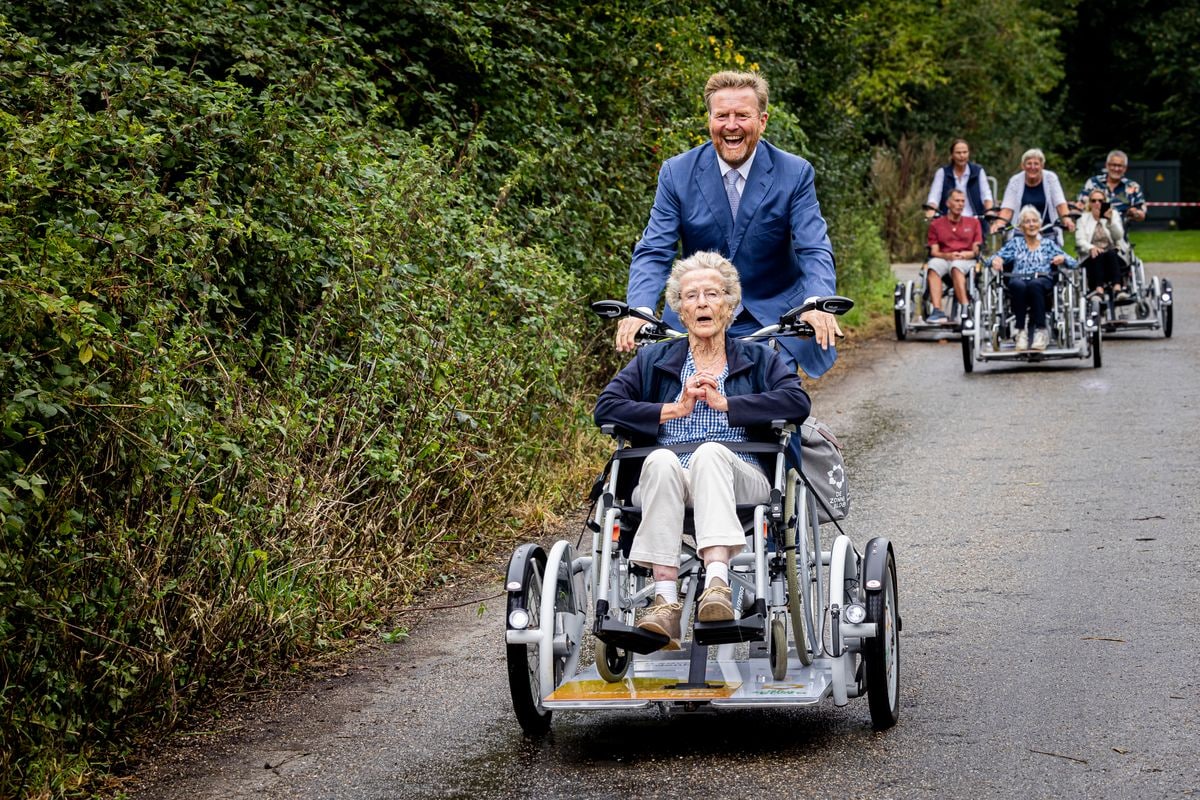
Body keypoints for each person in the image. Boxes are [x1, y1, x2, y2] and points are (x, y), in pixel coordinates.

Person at [595, 251, 810, 650]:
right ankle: (664, 603)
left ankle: (716, 589)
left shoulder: (760, 358)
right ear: (679, 309)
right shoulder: (653, 360)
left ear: (731, 305)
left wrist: (730, 404)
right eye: (691, 296)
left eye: (712, 294)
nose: (702, 303)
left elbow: (797, 404)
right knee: (659, 459)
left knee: (711, 453)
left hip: (740, 475)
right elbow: (605, 408)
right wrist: (673, 409)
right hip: (667, 480)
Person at [616, 70, 839, 377]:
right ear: (710, 120)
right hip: (698, 314)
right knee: (672, 409)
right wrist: (639, 310)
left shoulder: (795, 173)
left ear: (762, 121)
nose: (731, 125)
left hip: (771, 317)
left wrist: (816, 303)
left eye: (742, 115)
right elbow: (655, 249)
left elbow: (813, 247)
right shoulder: (676, 173)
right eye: (722, 115)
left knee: (777, 408)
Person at [991, 205, 1077, 352]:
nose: (1031, 224)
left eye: (1034, 221)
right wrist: (996, 260)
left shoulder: (1048, 244)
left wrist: (1062, 258)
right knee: (1018, 285)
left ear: (1040, 224)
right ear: (1021, 226)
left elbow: (1073, 262)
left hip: (1042, 280)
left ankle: (1041, 331)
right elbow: (993, 258)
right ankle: (1020, 332)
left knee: (1034, 284)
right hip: (1019, 279)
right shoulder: (1015, 244)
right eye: (1027, 221)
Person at [991, 149, 1075, 244]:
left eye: (1036, 164)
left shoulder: (1051, 178)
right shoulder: (1015, 181)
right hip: (1021, 233)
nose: (1032, 167)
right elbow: (1007, 208)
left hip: (1047, 232)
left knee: (1057, 257)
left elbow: (1060, 203)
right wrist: (999, 223)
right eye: (1029, 163)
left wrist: (1066, 219)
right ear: (1023, 166)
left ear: (1042, 166)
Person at [924, 189, 982, 322]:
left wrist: (969, 254)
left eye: (962, 201)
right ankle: (937, 310)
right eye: (957, 201)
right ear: (948, 203)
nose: (960, 204)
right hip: (944, 257)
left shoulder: (973, 223)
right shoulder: (936, 224)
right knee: (932, 266)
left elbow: (977, 249)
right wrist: (948, 255)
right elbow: (934, 251)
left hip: (965, 260)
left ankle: (965, 308)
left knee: (956, 266)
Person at [1075, 189, 1129, 300]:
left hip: (1113, 254)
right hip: (1092, 256)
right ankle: (1098, 290)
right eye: (1093, 201)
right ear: (1089, 203)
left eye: (1100, 200)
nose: (1097, 203)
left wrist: (1110, 222)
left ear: (1105, 202)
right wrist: (1091, 247)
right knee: (1098, 253)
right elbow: (1080, 240)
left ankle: (1118, 289)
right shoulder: (1083, 218)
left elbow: (1119, 236)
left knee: (1110, 253)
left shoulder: (1113, 215)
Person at [924, 138, 994, 219]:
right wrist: (931, 210)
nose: (962, 156)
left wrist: (989, 210)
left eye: (965, 152)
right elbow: (934, 197)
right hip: (948, 221)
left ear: (969, 153)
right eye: (958, 153)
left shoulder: (978, 171)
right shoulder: (942, 173)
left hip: (974, 220)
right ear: (952, 155)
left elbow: (986, 195)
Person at [1076, 150, 1147, 222]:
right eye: (1113, 165)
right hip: (1094, 229)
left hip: (1120, 230)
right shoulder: (1093, 183)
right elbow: (1081, 205)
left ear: (1125, 168)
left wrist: (1135, 213)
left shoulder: (1133, 187)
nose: (1116, 169)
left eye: (1120, 166)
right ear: (1107, 165)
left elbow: (1142, 214)